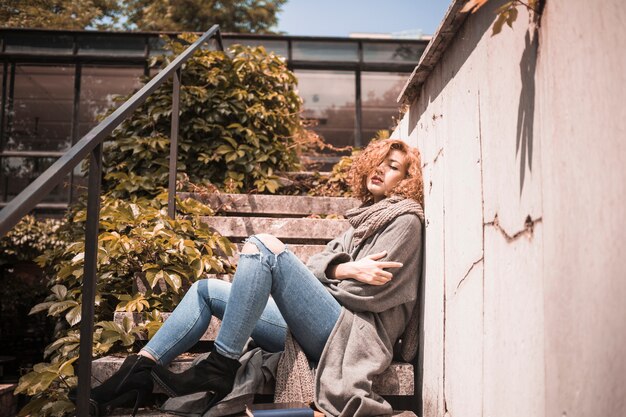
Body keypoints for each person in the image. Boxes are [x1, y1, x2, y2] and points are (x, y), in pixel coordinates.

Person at [78, 138, 424, 417]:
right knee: (205, 290)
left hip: (352, 335)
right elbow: (318, 264)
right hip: (324, 324)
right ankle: (137, 371)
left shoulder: (405, 222)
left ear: (406, 180)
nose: (381, 170)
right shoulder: (361, 222)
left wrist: (326, 279)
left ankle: (221, 364)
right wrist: (342, 268)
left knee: (262, 246)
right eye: (378, 162)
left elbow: (366, 295)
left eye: (392, 167)